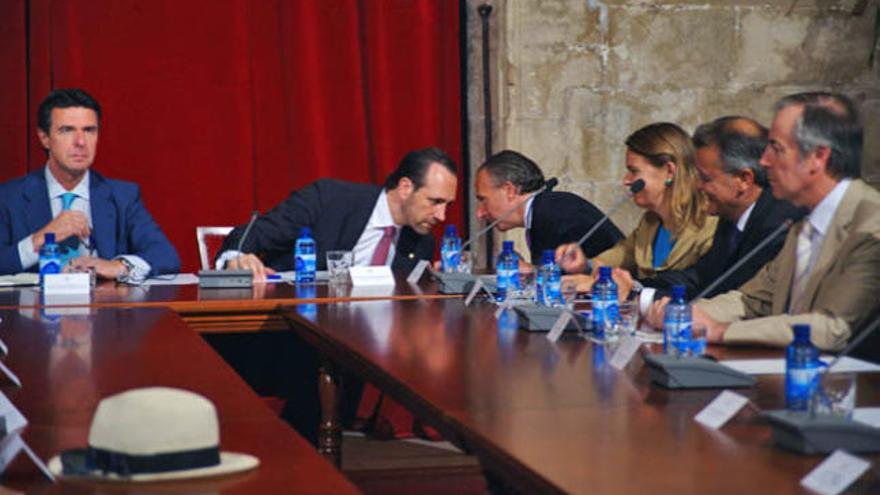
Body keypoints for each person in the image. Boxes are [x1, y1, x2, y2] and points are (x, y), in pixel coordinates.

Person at [652, 92, 880, 351]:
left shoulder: (871, 223)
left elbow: (831, 328)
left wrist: (721, 331)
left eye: (777, 148)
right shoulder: (803, 219)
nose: (764, 160)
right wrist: (682, 314)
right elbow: (752, 301)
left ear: (818, 157)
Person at [0, 88, 180, 281]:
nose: (80, 142)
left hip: (105, 309)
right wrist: (42, 239)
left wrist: (118, 266)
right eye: (67, 130)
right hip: (34, 309)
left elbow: (166, 256)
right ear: (44, 138)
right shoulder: (9, 197)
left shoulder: (122, 196)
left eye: (89, 130)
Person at [628, 116, 805, 312]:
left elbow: (730, 293)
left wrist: (646, 298)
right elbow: (701, 278)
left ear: (743, 179)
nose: (695, 186)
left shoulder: (777, 226)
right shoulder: (731, 216)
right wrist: (636, 289)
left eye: (704, 178)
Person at [217, 147, 457, 280]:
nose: (442, 216)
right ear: (405, 187)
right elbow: (253, 233)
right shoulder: (329, 199)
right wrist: (235, 257)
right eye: (435, 201)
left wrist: (433, 282)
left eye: (447, 204)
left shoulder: (422, 242)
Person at [557, 122, 718, 284]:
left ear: (669, 171)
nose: (626, 181)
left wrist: (632, 290)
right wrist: (585, 265)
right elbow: (622, 255)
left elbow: (695, 284)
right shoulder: (650, 223)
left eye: (634, 171)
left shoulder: (710, 226)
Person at [474, 150, 623, 265]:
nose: (479, 213)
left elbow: (559, 281)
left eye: (483, 200)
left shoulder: (554, 212)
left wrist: (528, 272)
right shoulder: (543, 208)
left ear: (510, 190)